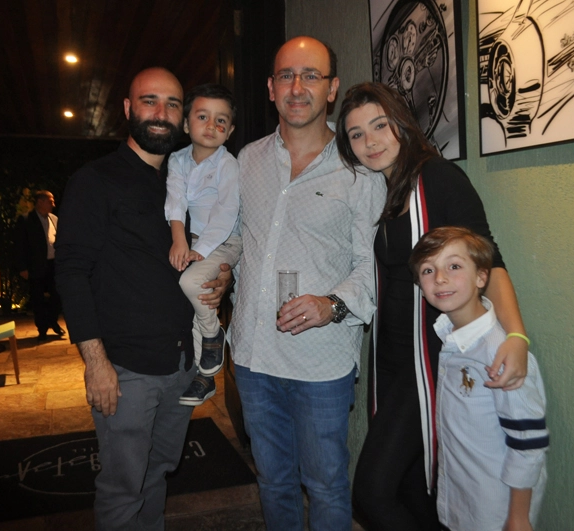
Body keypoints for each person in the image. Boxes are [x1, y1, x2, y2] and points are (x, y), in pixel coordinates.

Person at [335, 82, 530, 529]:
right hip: (390, 356)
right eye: (357, 135)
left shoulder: (439, 178)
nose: (371, 142)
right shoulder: (376, 194)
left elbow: (490, 259)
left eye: (379, 126)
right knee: (411, 487)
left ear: (401, 123)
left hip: (434, 357)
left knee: (372, 489)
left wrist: (516, 335)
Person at [55, 67, 231, 530]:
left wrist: (223, 275)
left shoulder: (186, 182)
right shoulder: (96, 181)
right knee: (122, 487)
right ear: (128, 109)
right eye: (150, 101)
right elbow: (71, 271)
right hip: (127, 370)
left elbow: (203, 254)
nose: (161, 113)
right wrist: (95, 362)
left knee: (158, 473)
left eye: (173, 104)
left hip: (181, 365)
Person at [231, 37, 386, 530]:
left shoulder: (359, 169)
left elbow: (373, 265)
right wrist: (214, 269)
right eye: (286, 76)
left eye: (311, 75)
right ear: (270, 88)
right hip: (252, 357)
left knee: (325, 486)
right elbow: (236, 238)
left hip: (321, 364)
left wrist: (331, 304)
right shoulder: (246, 161)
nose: (297, 87)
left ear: (332, 88)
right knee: (273, 482)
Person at [408, 226, 548, 531]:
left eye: (454, 266)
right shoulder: (450, 338)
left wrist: (518, 518)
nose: (440, 278)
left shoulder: (499, 353)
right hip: (460, 501)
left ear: (481, 277)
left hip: (495, 511)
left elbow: (528, 442)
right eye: (428, 270)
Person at [164, 83, 242, 406]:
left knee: (191, 280)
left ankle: (213, 334)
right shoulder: (178, 160)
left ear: (230, 131)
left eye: (221, 121)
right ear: (186, 123)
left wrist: (200, 249)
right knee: (195, 299)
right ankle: (204, 376)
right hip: (196, 240)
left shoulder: (228, 164)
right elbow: (175, 202)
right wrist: (179, 240)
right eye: (202, 116)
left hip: (226, 240)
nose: (212, 126)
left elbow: (226, 214)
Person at [14, 190, 65, 339]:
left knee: (58, 294)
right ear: (40, 202)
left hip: (53, 265)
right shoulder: (26, 220)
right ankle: (42, 329)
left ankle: (52, 321)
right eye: (51, 201)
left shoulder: (54, 219)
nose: (53, 204)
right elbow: (19, 245)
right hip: (35, 265)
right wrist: (22, 267)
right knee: (38, 298)